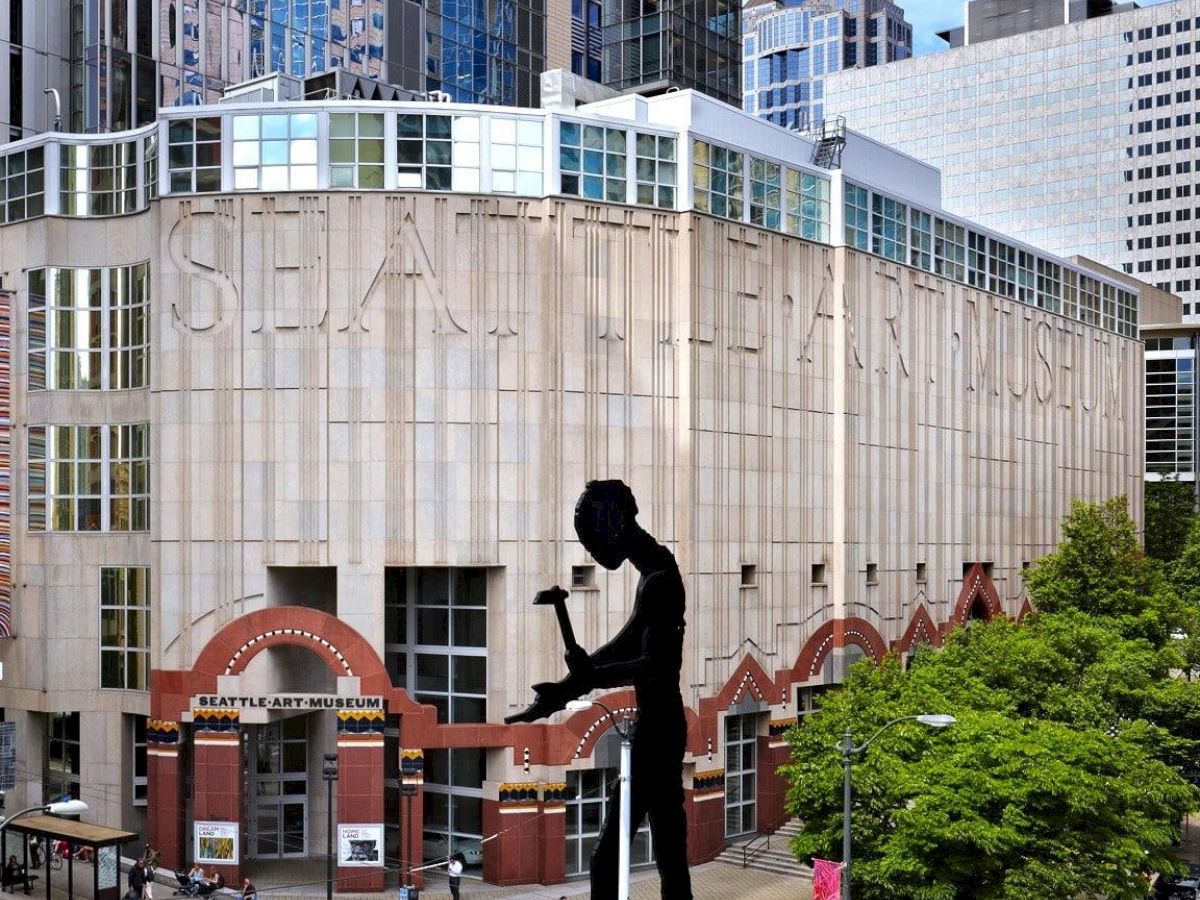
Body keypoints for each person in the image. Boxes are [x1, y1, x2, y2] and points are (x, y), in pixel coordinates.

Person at [514, 481, 694, 900]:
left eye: (593, 540)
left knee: (610, 854)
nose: (593, 552)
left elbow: (653, 665)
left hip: (659, 731)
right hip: (663, 728)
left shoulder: (660, 581)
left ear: (615, 522)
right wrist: (564, 689)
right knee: (669, 849)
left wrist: (589, 676)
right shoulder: (655, 574)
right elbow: (626, 645)